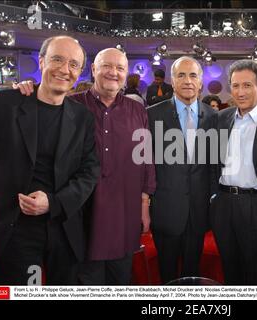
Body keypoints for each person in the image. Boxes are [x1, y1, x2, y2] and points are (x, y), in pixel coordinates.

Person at [15, 48, 156, 285]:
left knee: (120, 279)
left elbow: (145, 162)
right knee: (85, 280)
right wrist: (26, 90)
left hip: (125, 213)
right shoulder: (69, 105)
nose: (113, 73)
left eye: (120, 68)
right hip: (80, 213)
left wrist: (144, 205)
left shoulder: (137, 110)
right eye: (106, 66)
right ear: (93, 69)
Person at [0, 36, 100, 285]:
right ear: (41, 62)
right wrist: (8, 189)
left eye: (74, 64)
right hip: (15, 228)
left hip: (64, 227)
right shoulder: (1, 105)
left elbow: (89, 171)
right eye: (57, 59)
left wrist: (52, 203)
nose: (65, 69)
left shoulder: (83, 117)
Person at [147, 56, 217, 284]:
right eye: (181, 75)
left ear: (201, 81)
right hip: (165, 210)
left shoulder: (214, 117)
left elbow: (217, 165)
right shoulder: (151, 114)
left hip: (199, 210)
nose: (187, 81)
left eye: (193, 75)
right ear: (172, 80)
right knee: (166, 273)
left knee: (192, 273)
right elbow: (145, 163)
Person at [211, 60, 257, 285]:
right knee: (230, 270)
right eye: (235, 86)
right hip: (223, 204)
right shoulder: (222, 118)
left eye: (247, 85)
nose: (240, 92)